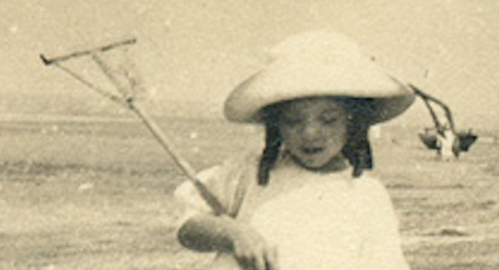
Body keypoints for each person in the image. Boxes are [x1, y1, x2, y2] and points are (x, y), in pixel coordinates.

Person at [174, 31, 414, 270]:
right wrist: (233, 233)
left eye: (328, 120)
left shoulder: (367, 196)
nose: (309, 133)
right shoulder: (249, 173)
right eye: (293, 121)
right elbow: (188, 228)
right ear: (275, 124)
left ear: (353, 122)